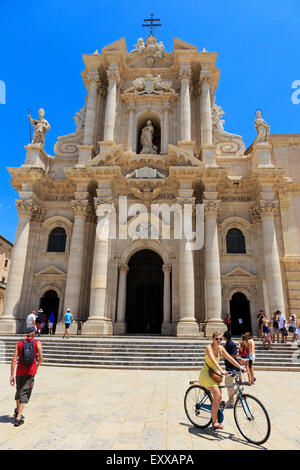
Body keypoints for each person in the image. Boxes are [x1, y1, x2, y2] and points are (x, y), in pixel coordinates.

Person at [199, 332, 243, 430]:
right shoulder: (208, 348)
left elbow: (230, 358)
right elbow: (213, 361)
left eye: (220, 339)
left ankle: (215, 411)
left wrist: (240, 367)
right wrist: (222, 370)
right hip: (207, 373)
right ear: (212, 339)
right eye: (216, 339)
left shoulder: (221, 348)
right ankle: (214, 422)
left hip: (215, 374)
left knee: (218, 397)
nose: (219, 341)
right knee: (218, 396)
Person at [10, 326, 43, 426]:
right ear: (33, 334)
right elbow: (41, 358)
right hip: (30, 372)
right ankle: (18, 417)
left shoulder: (19, 343)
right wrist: (36, 368)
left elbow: (14, 359)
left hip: (19, 371)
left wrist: (12, 374)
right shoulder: (37, 343)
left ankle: (17, 410)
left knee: (19, 391)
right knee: (25, 392)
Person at [223, 331, 240, 408]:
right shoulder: (228, 344)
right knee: (231, 384)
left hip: (231, 368)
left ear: (225, 337)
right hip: (230, 367)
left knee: (229, 384)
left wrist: (226, 357)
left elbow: (235, 354)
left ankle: (231, 402)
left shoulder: (231, 344)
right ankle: (239, 398)